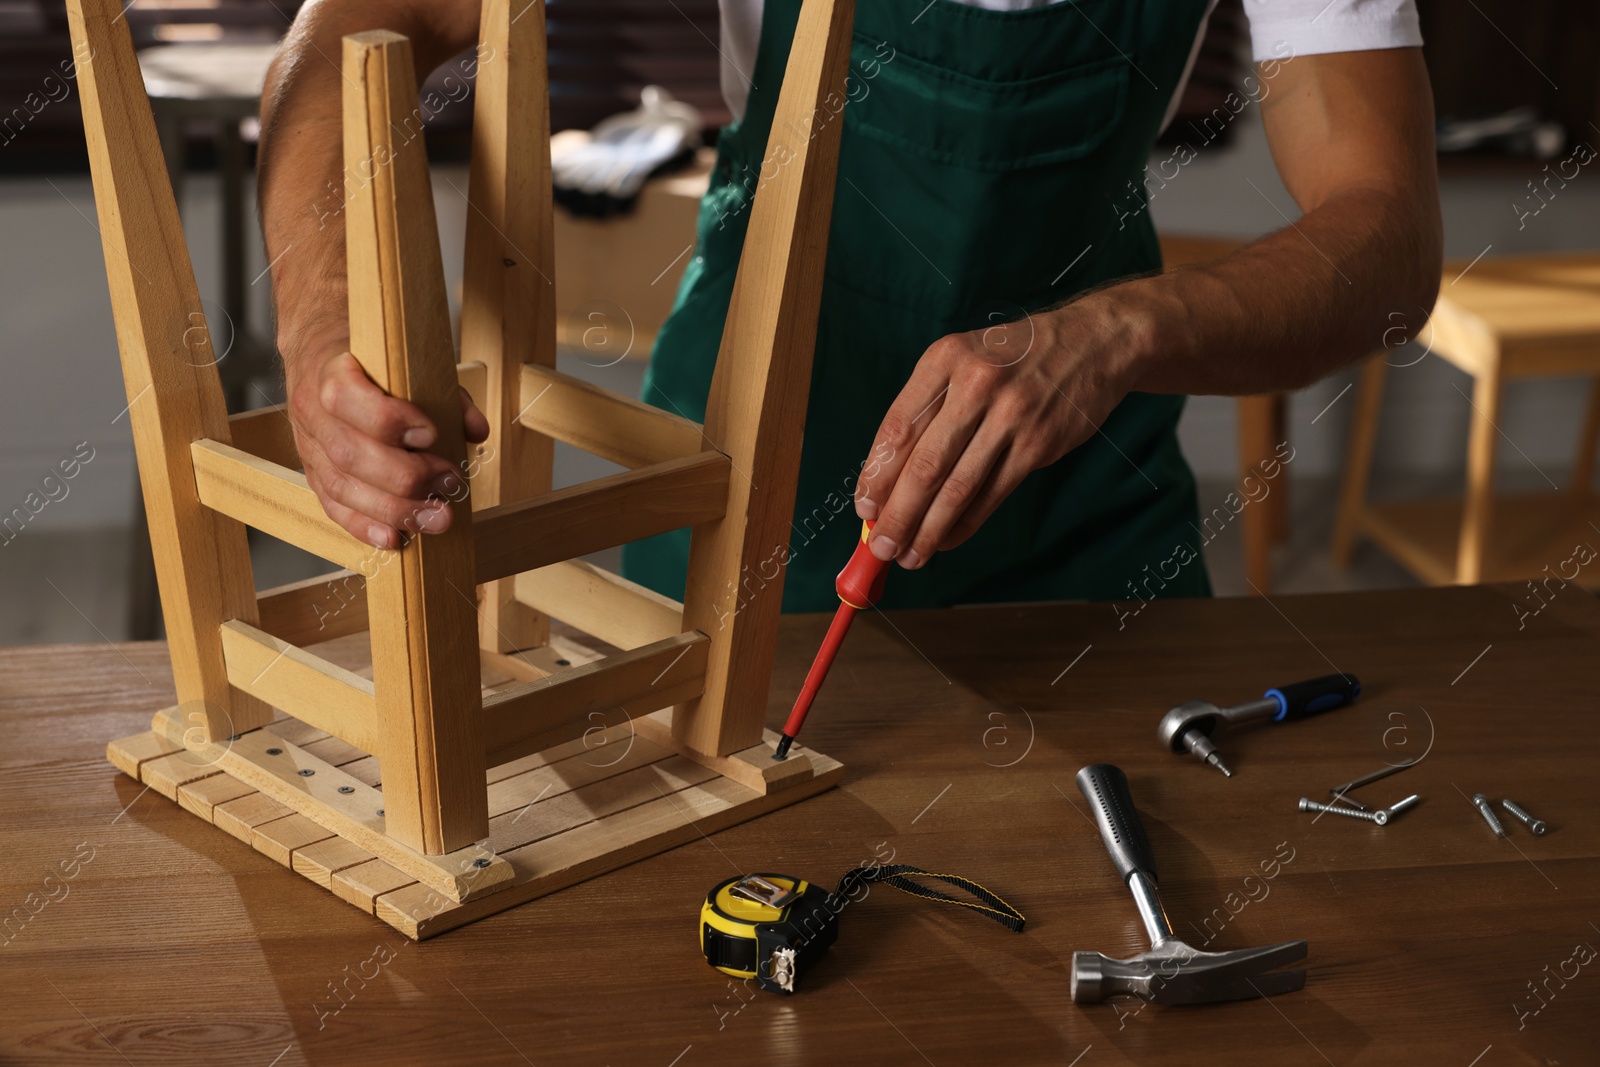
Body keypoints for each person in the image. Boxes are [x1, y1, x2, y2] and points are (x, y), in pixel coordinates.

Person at [259, 0, 1442, 613]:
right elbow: (363, 24)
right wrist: (320, 328)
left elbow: (1387, 236)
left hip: (1085, 504)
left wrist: (1114, 331)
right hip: (745, 474)